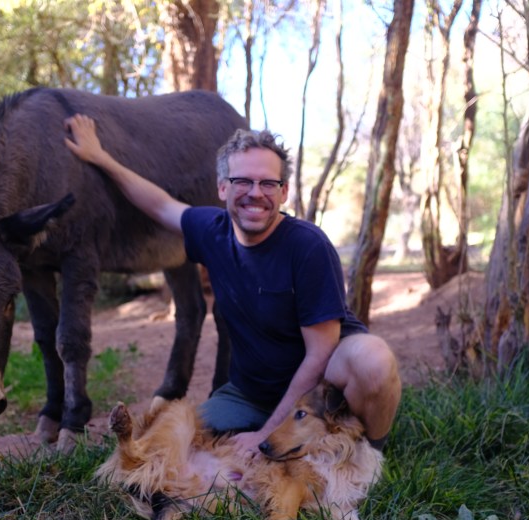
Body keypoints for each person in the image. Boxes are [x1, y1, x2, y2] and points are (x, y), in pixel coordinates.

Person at [63, 114, 401, 456]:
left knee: (374, 360)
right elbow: (160, 204)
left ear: (283, 192)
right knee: (175, 443)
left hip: (319, 389)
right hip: (250, 394)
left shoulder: (308, 247)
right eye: (243, 181)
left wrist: (266, 435)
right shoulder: (212, 231)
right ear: (222, 187)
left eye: (268, 183)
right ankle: (286, 437)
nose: (256, 193)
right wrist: (100, 157)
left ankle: (370, 456)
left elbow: (320, 354)